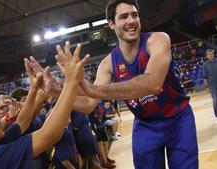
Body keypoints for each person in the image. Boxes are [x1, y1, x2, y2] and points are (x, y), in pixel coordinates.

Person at [26, 0, 198, 168]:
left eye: (134, 15)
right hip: (145, 124)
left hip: (177, 119)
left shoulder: (158, 40)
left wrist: (92, 89)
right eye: (124, 17)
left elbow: (152, 83)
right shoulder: (108, 64)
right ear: (111, 24)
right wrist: (54, 90)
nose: (131, 21)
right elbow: (87, 105)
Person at [203, 49, 217, 123]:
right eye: (208, 54)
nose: (210, 55)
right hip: (213, 86)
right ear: (206, 56)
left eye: (212, 54)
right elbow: (205, 77)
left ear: (214, 54)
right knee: (215, 102)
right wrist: (207, 87)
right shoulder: (205, 65)